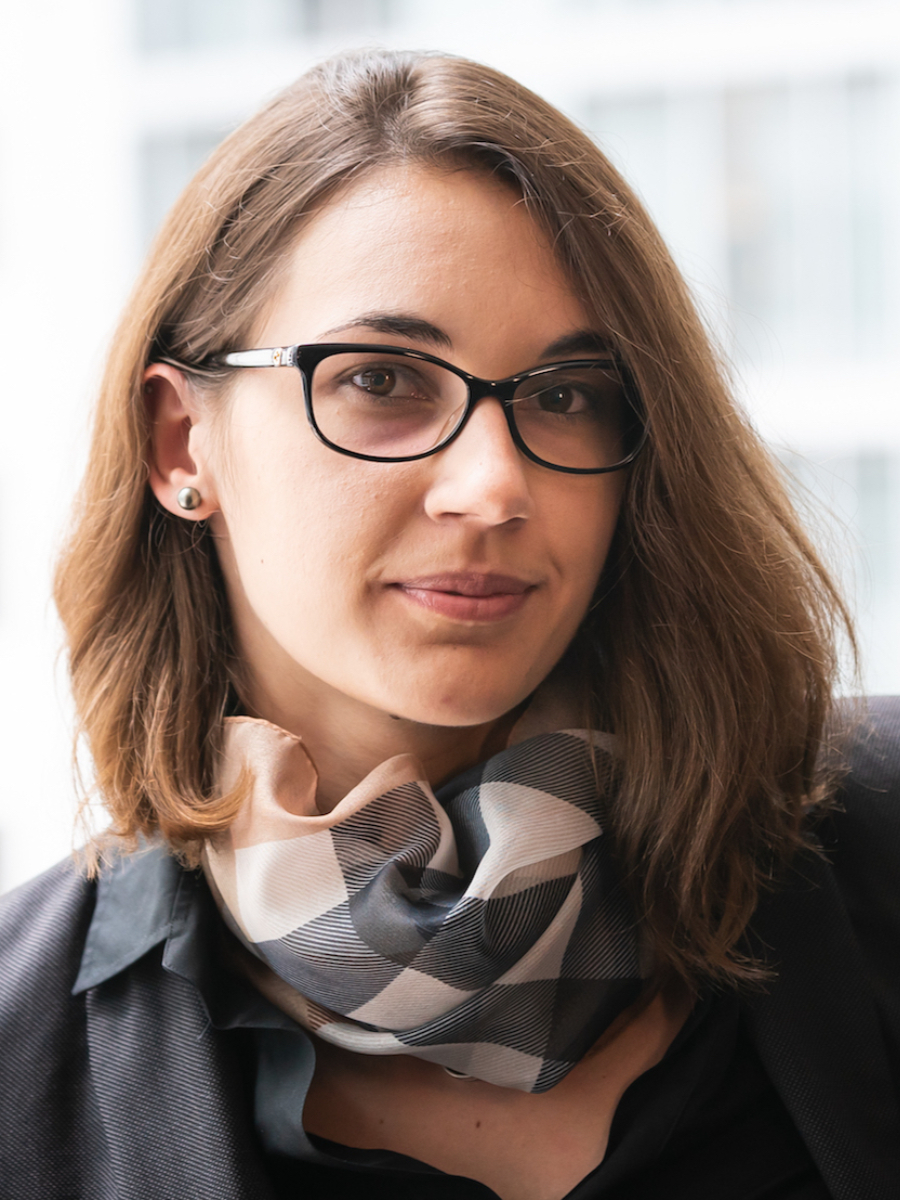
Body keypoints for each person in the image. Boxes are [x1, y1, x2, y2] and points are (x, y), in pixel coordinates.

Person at [1, 48, 898, 1200]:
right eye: (381, 380)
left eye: (565, 396)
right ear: (183, 444)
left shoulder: (873, 847)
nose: (493, 486)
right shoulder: (22, 1050)